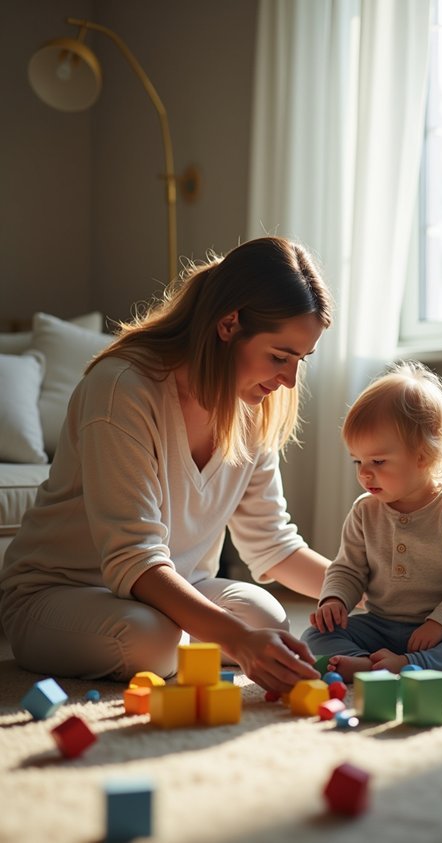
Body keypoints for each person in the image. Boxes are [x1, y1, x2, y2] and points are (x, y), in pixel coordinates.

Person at [0, 236, 334, 694]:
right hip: (60, 593)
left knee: (268, 618)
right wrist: (235, 639)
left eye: (300, 359)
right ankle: (179, 643)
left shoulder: (253, 406)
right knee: (153, 642)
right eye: (279, 356)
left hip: (174, 590)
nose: (289, 379)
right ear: (229, 324)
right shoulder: (122, 388)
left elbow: (273, 545)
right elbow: (133, 559)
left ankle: (192, 640)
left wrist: (369, 598)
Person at [301, 360, 442, 683]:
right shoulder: (364, 511)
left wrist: (440, 623)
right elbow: (347, 569)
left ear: (423, 456)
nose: (364, 473)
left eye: (378, 461)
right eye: (358, 461)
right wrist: (334, 599)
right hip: (380, 625)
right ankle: (368, 664)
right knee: (314, 635)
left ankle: (412, 664)